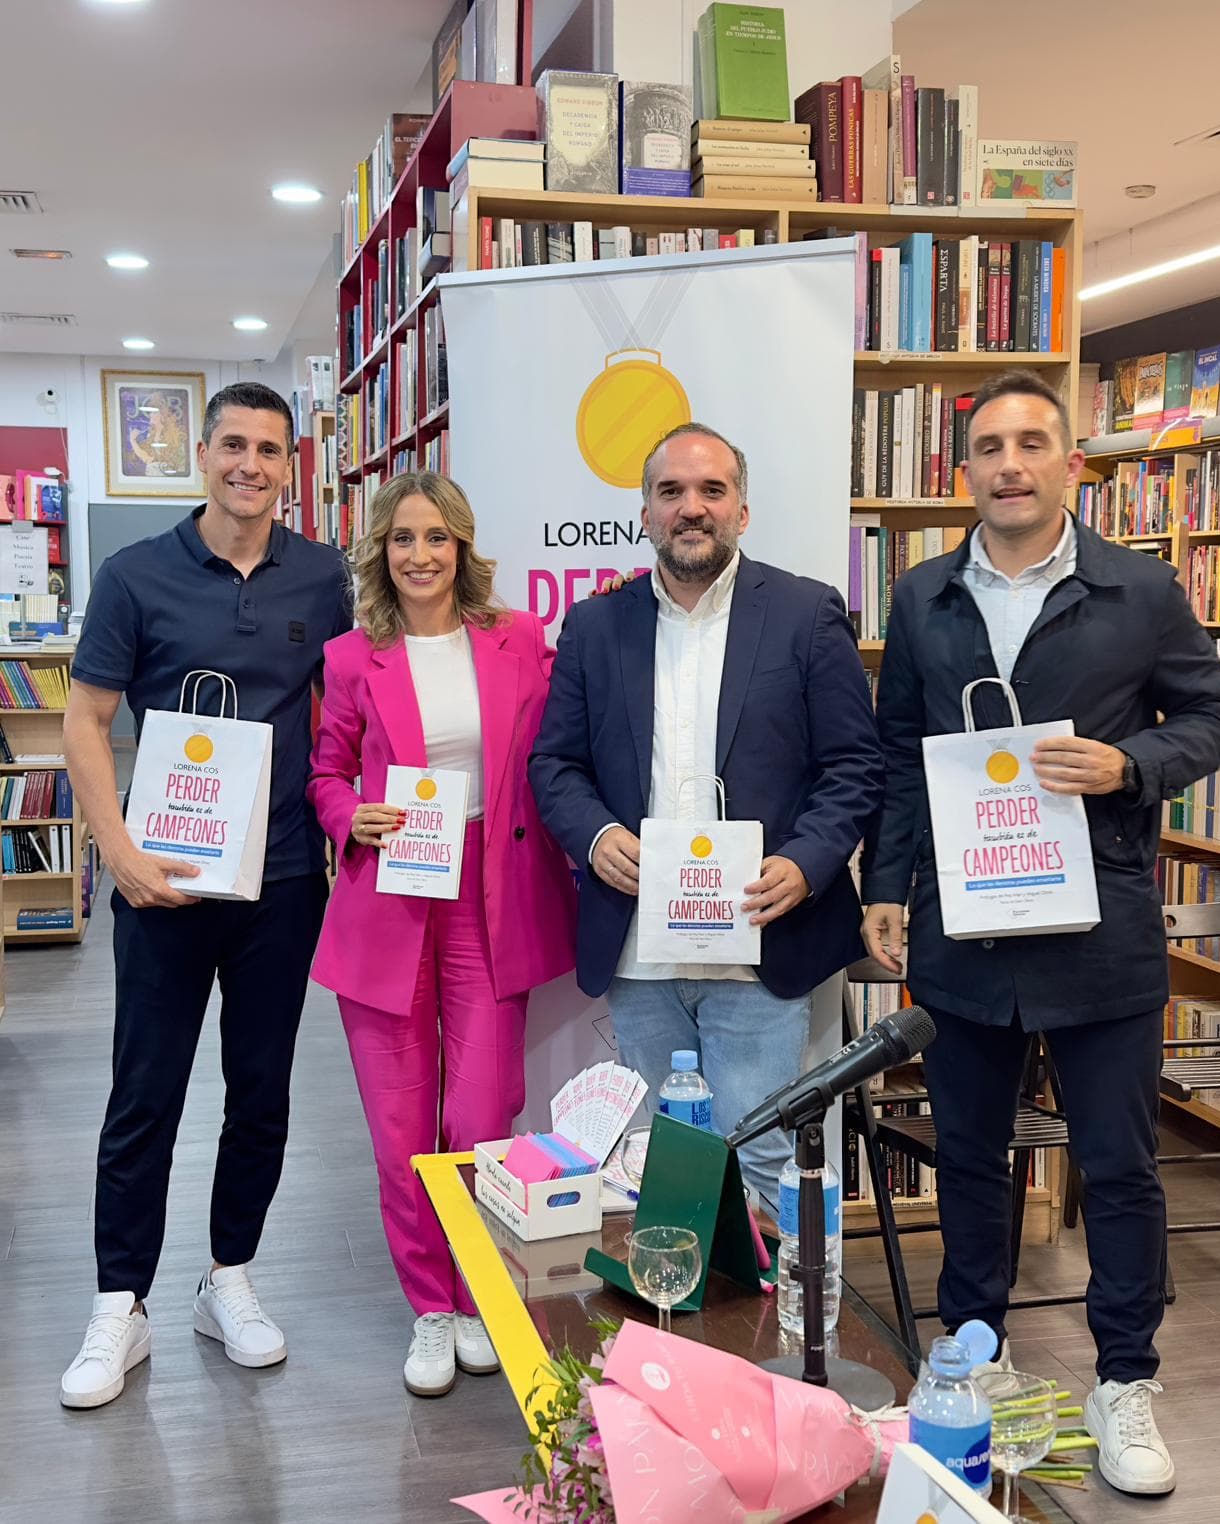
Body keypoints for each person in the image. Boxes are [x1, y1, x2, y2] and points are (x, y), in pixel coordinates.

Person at [860, 369, 1220, 1497]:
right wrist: (885, 884)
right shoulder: (923, 594)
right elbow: (895, 755)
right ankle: (975, 1355)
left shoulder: (1140, 590)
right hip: (963, 932)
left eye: (1033, 442)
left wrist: (1135, 766)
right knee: (970, 1160)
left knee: (1120, 1168)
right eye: (988, 447)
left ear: (1072, 463)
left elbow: (1211, 716)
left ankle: (1124, 1381)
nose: (1010, 463)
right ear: (963, 470)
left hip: (1100, 928)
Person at [60, 382, 352, 1409]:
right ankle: (118, 1305)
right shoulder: (135, 575)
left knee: (260, 1095)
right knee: (145, 1097)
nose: (250, 465)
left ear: (289, 467)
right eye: (234, 445)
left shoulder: (322, 577)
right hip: (161, 883)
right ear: (203, 453)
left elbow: (341, 715)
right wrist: (120, 854)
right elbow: (86, 723)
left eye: (270, 451)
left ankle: (226, 1277)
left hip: (278, 885)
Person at [530, 422, 882, 1211]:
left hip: (762, 946)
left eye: (712, 490)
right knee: (665, 1172)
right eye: (672, 492)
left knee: (762, 1164)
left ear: (742, 511)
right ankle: (679, 1329)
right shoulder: (594, 627)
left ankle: (787, 1334)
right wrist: (595, 835)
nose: (692, 507)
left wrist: (807, 860)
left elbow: (856, 765)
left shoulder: (805, 613)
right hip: (641, 952)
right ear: (646, 512)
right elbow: (554, 764)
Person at [307, 471, 576, 1397]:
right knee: (399, 1127)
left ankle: (477, 1295)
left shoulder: (516, 639)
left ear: (462, 547)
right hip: (388, 901)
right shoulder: (352, 657)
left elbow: (556, 748)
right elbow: (326, 771)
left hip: (490, 898)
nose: (418, 555)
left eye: (436, 537)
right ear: (380, 553)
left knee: (481, 1113)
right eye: (401, 539)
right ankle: (430, 1307)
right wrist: (352, 815)